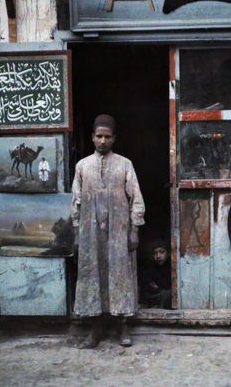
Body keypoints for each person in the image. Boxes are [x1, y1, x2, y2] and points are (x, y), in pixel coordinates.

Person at [71, 114, 145, 348]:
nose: (102, 141)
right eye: (99, 136)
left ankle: (122, 326)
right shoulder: (82, 166)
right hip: (90, 232)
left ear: (114, 139)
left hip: (118, 232)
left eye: (107, 137)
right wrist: (76, 232)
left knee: (119, 275)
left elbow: (137, 199)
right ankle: (96, 328)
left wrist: (134, 230)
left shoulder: (125, 164)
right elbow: (76, 201)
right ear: (92, 138)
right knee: (93, 274)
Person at [140, 241, 171, 309]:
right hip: (155, 295)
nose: (158, 256)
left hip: (165, 295)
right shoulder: (151, 267)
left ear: (168, 253)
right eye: (155, 253)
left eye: (162, 252)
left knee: (167, 294)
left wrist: (160, 288)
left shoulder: (172, 266)